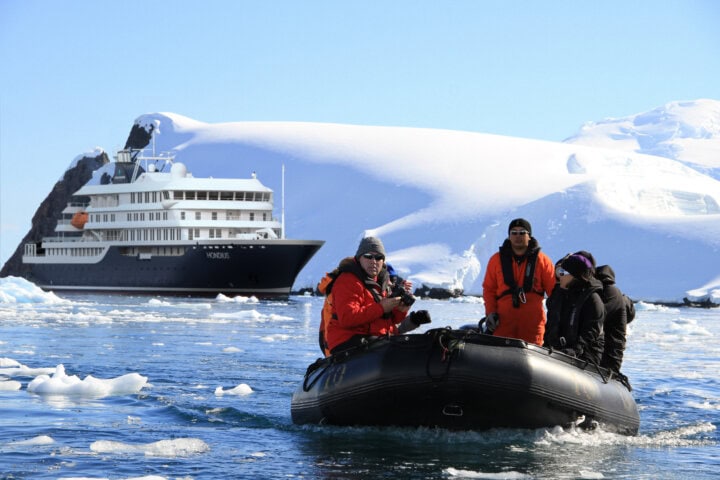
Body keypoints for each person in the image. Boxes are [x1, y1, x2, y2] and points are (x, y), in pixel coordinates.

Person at [323, 236, 431, 355]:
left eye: (379, 257)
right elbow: (347, 318)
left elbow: (389, 320)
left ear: (383, 261)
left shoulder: (382, 282)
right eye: (368, 256)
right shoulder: (348, 281)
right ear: (359, 258)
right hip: (348, 342)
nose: (373, 261)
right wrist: (381, 307)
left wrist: (400, 310)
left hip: (374, 341)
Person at [481, 218, 556, 345]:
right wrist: (491, 312)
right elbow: (489, 290)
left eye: (522, 232)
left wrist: (556, 321)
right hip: (502, 327)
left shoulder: (543, 261)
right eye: (514, 233)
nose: (518, 236)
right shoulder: (496, 260)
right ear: (509, 236)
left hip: (532, 328)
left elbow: (554, 293)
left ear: (529, 236)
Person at [544, 253, 605, 364]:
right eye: (559, 272)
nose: (560, 276)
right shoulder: (559, 296)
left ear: (575, 275)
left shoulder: (592, 300)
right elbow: (551, 326)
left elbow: (590, 332)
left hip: (584, 358)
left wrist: (575, 350)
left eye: (563, 272)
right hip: (558, 352)